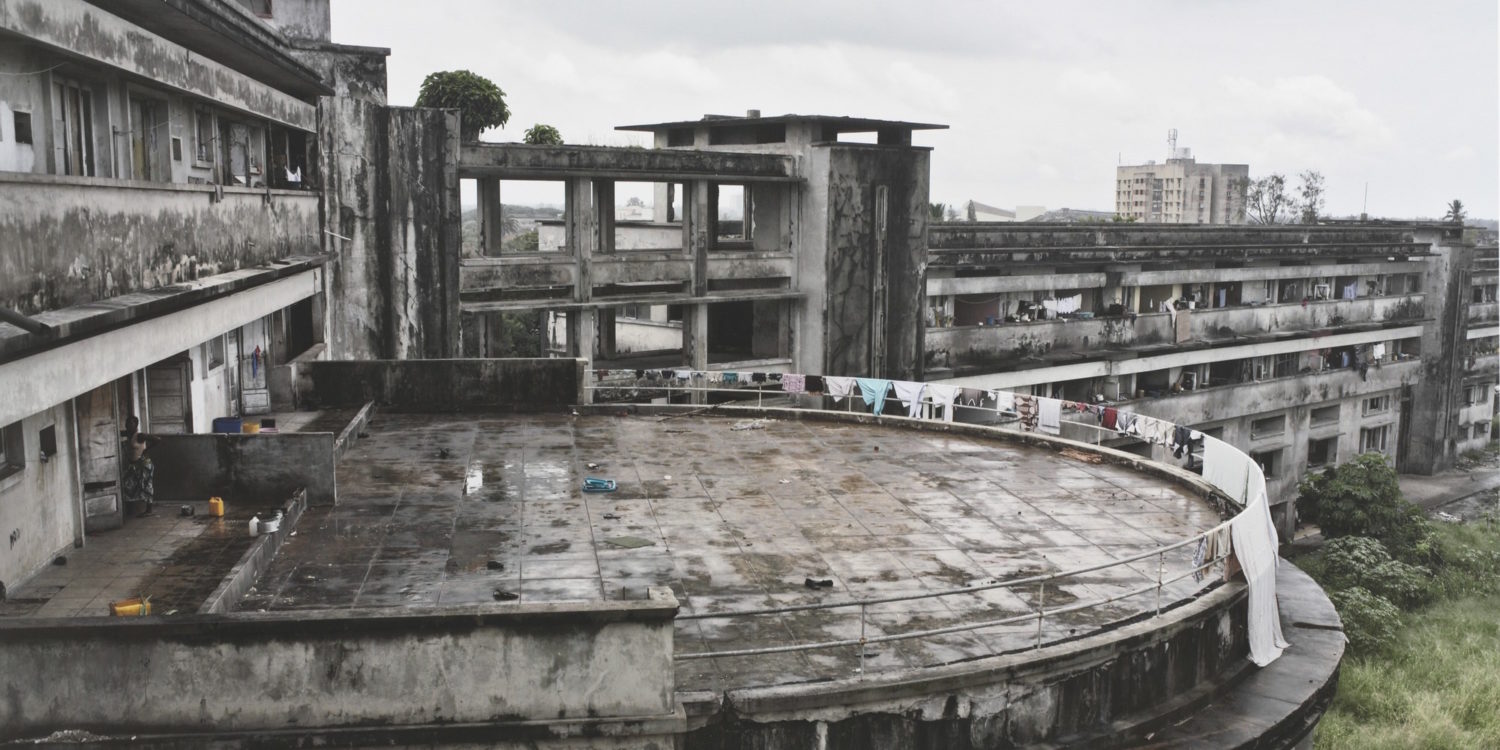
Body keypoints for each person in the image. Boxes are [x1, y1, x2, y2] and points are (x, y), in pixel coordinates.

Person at [120, 416, 160, 518]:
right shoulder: (129, 434)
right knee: (128, 484)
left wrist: (146, 450)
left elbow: (157, 439)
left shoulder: (140, 436)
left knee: (147, 486)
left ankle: (149, 510)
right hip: (135, 465)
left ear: (136, 425)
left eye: (131, 424)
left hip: (144, 464)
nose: (128, 425)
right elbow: (117, 432)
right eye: (127, 423)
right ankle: (131, 509)